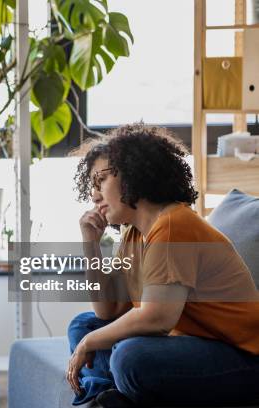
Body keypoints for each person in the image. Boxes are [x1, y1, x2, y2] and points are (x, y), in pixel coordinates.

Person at [67, 123, 259, 407]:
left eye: (100, 181)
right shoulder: (134, 232)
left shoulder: (173, 225)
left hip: (241, 358)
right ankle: (109, 395)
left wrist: (89, 344)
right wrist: (90, 244)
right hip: (188, 344)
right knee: (84, 325)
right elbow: (107, 310)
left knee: (130, 357)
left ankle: (111, 394)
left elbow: (157, 319)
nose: (94, 195)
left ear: (132, 176)